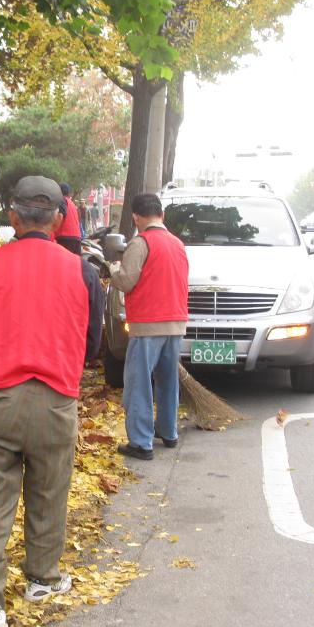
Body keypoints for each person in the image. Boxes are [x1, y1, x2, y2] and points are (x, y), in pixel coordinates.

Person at [0, 176, 103, 627]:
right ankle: (42, 579)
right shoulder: (85, 272)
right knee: (49, 492)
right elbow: (93, 345)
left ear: (12, 217)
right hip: (56, 397)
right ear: (58, 219)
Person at [109, 193, 189, 461]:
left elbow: (127, 281)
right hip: (175, 323)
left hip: (147, 323)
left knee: (139, 382)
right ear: (162, 215)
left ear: (136, 217)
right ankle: (168, 432)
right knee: (168, 381)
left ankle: (142, 442)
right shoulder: (178, 244)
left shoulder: (140, 243)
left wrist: (113, 269)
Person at [53, 182, 82, 255]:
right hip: (76, 238)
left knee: (62, 264)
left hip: (65, 237)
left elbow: (61, 213)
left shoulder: (62, 200)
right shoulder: (71, 203)